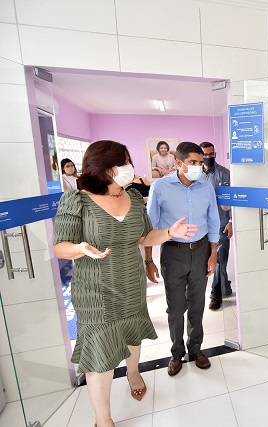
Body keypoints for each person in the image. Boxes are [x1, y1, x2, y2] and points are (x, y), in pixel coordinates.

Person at [53, 140, 198, 427]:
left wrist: (170, 232)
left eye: (128, 162)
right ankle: (103, 418)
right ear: (104, 167)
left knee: (132, 332)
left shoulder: (132, 196)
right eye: (123, 162)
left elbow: (145, 237)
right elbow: (60, 247)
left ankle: (133, 372)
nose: (129, 167)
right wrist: (80, 248)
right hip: (95, 291)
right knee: (100, 352)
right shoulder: (76, 200)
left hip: (131, 282)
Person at [145, 141, 220, 376]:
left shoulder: (206, 187)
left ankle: (195, 348)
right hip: (173, 253)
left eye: (200, 162)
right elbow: (149, 228)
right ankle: (176, 353)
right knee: (176, 309)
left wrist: (213, 254)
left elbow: (213, 222)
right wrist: (148, 260)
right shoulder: (160, 188)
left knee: (197, 305)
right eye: (193, 162)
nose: (198, 166)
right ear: (179, 163)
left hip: (201, 252)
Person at [200, 141, 233, 311]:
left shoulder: (224, 174)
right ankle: (225, 287)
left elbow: (232, 200)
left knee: (220, 260)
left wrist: (231, 221)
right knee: (203, 262)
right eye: (205, 154)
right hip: (201, 227)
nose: (208, 157)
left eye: (211, 154)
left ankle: (216, 295)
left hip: (221, 224)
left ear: (215, 154)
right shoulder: (195, 175)